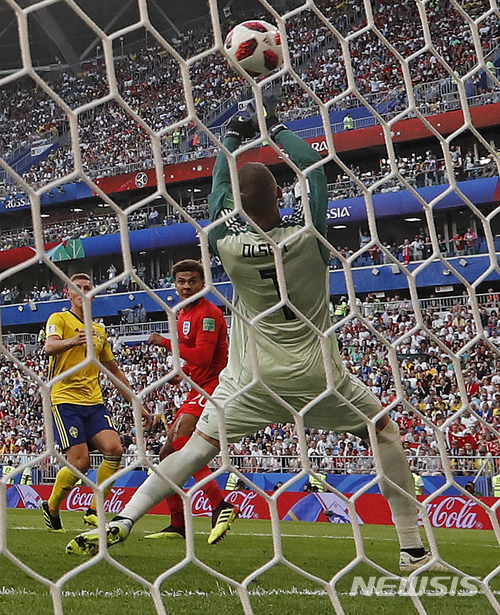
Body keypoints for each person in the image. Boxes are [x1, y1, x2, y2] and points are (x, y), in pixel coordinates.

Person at [66, 98, 445, 573]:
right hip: (316, 375)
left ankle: (125, 516)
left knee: (198, 448)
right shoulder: (310, 237)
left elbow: (217, 192)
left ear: (237, 207)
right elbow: (314, 171)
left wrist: (232, 138)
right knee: (384, 433)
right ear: (281, 200)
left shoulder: (226, 243)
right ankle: (410, 544)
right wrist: (276, 126)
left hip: (251, 380)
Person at [42, 273, 151, 532]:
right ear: (67, 293)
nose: (82, 291)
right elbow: (49, 346)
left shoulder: (99, 330)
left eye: (87, 287)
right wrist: (74, 341)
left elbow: (113, 370)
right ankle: (52, 505)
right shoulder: (59, 319)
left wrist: (137, 402)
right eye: (76, 288)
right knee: (80, 463)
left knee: (115, 449)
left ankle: (94, 509)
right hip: (64, 399)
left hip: (94, 402)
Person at [143, 259, 231, 540]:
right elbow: (198, 359)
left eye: (192, 281)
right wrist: (182, 374)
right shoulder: (183, 314)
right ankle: (178, 524)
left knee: (182, 442)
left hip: (214, 387)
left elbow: (205, 357)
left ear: (203, 284)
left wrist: (166, 343)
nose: (185, 286)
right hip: (199, 385)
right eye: (181, 281)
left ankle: (219, 505)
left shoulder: (208, 313)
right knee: (167, 454)